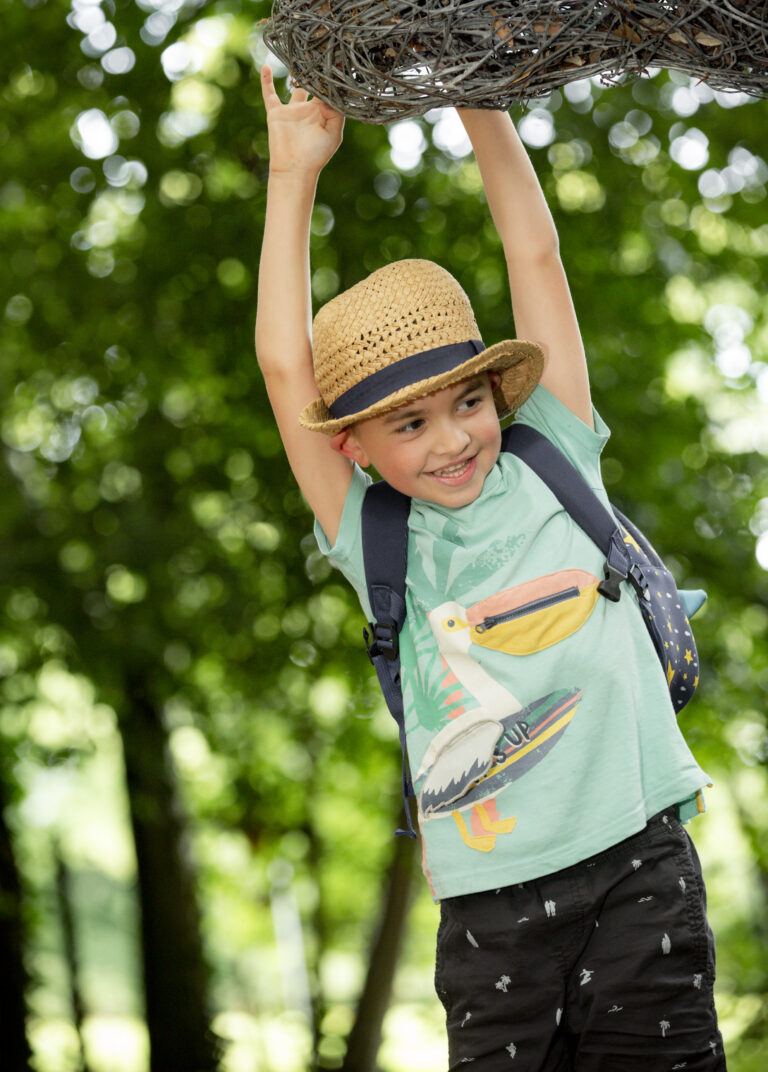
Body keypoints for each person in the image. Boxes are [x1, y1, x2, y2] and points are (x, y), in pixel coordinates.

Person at [256, 64, 725, 1071]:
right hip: (490, 915)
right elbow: (285, 369)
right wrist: (292, 176)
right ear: (356, 447)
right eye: (409, 423)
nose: (453, 439)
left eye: (467, 401)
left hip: (640, 863)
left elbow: (536, 253)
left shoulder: (555, 445)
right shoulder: (374, 533)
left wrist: (479, 102)